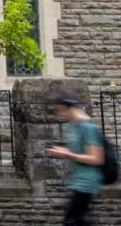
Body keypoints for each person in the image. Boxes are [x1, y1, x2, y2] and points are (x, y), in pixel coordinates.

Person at [44, 88, 104, 226]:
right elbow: (80, 151)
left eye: (59, 110)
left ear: (67, 107)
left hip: (87, 183)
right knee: (76, 221)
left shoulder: (87, 126)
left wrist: (67, 154)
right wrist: (65, 151)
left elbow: (96, 158)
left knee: (71, 222)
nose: (59, 114)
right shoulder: (75, 125)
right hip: (78, 182)